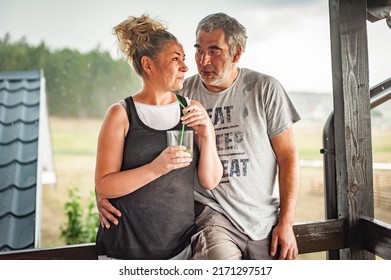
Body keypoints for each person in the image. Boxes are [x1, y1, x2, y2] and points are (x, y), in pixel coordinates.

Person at [98, 12, 301, 260]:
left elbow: (288, 157)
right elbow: (112, 167)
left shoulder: (261, 89)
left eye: (214, 51)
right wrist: (104, 193)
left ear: (235, 54)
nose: (201, 61)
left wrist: (287, 222)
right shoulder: (176, 92)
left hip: (257, 220)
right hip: (207, 218)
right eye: (197, 51)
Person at [94, 14, 222, 260]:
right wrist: (156, 168)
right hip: (124, 252)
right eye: (176, 59)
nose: (185, 67)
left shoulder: (191, 110)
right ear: (148, 65)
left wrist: (207, 134)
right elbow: (104, 184)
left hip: (179, 252)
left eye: (184, 59)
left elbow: (210, 180)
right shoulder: (120, 114)